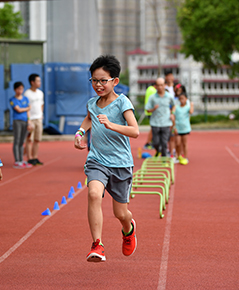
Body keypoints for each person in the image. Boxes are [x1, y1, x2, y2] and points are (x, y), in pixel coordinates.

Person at [74, 55, 139, 262]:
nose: (98, 85)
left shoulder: (123, 103)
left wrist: (111, 124)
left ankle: (128, 229)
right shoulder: (92, 103)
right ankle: (97, 245)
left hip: (120, 164)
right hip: (97, 160)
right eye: (94, 80)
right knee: (93, 194)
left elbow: (135, 131)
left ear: (115, 81)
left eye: (103, 80)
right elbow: (88, 119)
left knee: (120, 214)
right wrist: (80, 134)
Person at [145, 77, 175, 157]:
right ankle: (158, 151)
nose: (160, 87)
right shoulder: (152, 97)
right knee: (155, 142)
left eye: (162, 85)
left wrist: (172, 113)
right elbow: (147, 109)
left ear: (165, 85)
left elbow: (174, 105)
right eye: (158, 85)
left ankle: (164, 158)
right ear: (155, 86)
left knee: (164, 142)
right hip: (155, 123)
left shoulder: (169, 96)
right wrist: (153, 109)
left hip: (166, 122)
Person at [10, 81, 32, 169]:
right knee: (17, 140)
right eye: (18, 89)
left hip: (25, 121)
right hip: (17, 121)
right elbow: (18, 110)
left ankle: (21, 159)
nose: (20, 91)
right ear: (15, 90)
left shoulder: (25, 98)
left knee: (22, 141)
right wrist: (27, 108)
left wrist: (29, 121)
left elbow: (28, 111)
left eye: (22, 89)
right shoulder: (12, 100)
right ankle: (17, 160)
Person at [24, 74, 44, 165]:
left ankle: (35, 157)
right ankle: (29, 158)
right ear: (32, 82)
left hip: (38, 119)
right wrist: (28, 120)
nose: (39, 83)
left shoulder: (40, 93)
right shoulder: (27, 93)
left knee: (37, 139)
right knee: (29, 139)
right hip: (31, 119)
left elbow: (41, 104)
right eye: (38, 81)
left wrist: (41, 114)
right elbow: (26, 107)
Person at [173, 93, 194, 165]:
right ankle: (178, 155)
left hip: (185, 128)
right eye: (180, 99)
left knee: (184, 143)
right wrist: (174, 127)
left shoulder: (187, 107)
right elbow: (173, 116)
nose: (182, 100)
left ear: (186, 99)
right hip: (178, 128)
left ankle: (185, 156)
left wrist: (191, 105)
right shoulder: (177, 107)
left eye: (183, 99)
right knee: (178, 143)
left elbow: (191, 112)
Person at [143, 84, 156, 149]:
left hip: (148, 111)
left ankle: (151, 142)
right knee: (153, 128)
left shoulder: (149, 89)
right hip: (151, 111)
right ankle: (148, 143)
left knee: (153, 127)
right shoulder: (153, 91)